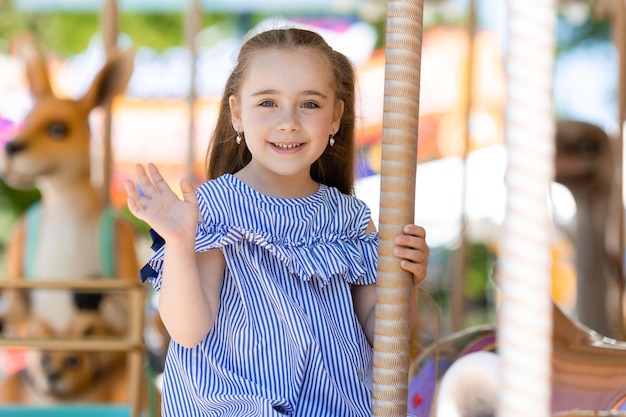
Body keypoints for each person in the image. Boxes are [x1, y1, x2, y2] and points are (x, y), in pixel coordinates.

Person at [125, 27, 430, 417]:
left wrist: (403, 277)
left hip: (332, 406)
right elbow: (188, 330)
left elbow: (381, 334)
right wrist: (181, 241)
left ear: (336, 116)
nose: (288, 121)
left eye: (310, 105)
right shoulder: (212, 208)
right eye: (268, 102)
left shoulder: (350, 219)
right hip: (238, 405)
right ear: (237, 113)